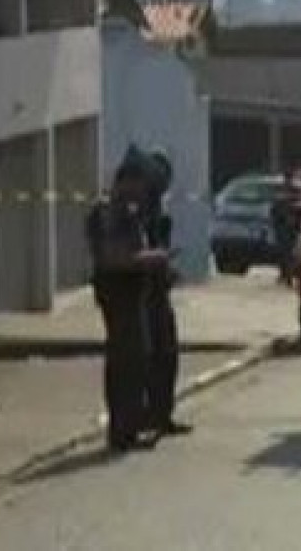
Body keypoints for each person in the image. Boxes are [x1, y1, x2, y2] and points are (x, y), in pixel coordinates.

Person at [85, 153, 168, 451]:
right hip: (119, 292)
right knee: (126, 361)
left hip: (131, 293)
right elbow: (114, 258)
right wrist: (153, 258)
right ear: (127, 181)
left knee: (137, 358)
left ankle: (129, 426)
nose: (143, 193)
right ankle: (122, 430)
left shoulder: (127, 211)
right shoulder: (109, 212)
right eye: (140, 185)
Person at [140, 147, 192, 438]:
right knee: (151, 356)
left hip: (159, 289)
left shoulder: (157, 208)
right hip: (144, 292)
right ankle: (148, 414)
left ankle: (162, 415)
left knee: (168, 355)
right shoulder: (139, 211)